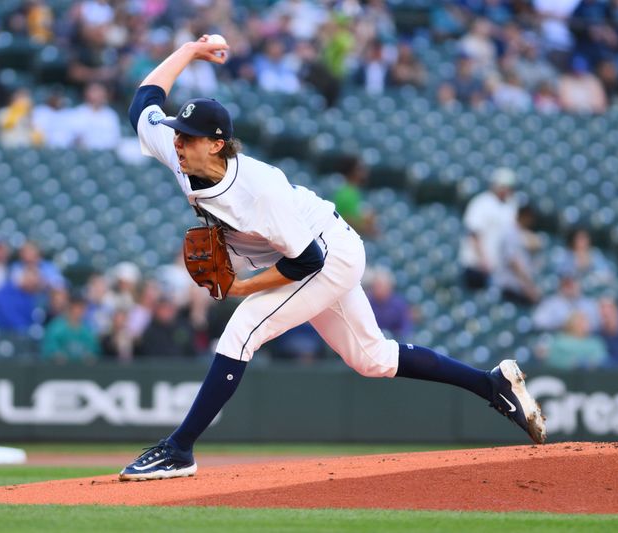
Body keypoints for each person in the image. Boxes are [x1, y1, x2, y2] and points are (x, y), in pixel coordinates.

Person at [118, 35, 547, 482]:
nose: (178, 142)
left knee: (243, 329)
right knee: (372, 358)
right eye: (178, 135)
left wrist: (242, 288)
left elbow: (307, 260)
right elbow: (143, 103)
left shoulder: (259, 192)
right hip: (316, 247)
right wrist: (190, 50)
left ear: (217, 143)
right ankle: (492, 384)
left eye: (188, 137)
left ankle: (179, 449)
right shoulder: (180, 154)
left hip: (328, 251)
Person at [459, 167, 518, 290]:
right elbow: (474, 234)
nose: (505, 189)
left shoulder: (510, 206)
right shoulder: (482, 203)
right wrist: (483, 260)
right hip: (476, 266)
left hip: (498, 269)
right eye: (503, 186)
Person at [493, 204, 542, 306]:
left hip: (520, 287)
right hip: (510, 287)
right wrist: (528, 286)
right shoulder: (510, 232)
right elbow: (513, 263)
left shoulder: (524, 233)